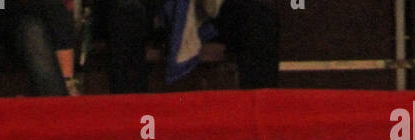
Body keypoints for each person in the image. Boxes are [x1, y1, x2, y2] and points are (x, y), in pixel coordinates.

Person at [95, 0, 279, 94]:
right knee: (126, 13)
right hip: (148, 8)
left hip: (207, 9)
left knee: (260, 18)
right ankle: (132, 118)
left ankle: (261, 115)